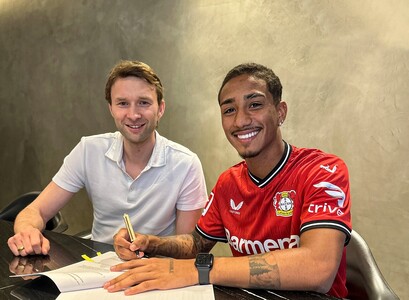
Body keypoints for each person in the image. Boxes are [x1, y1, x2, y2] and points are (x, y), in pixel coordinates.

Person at [105, 62, 352, 298]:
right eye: (229, 110)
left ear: (280, 112)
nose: (241, 120)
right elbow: (196, 244)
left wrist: (200, 269)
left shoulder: (322, 170)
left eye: (254, 105)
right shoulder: (228, 182)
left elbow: (318, 268)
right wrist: (150, 243)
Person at [7, 60, 208, 257]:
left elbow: (189, 248)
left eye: (143, 103)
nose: (133, 114)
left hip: (158, 271)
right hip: (99, 269)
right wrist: (27, 231)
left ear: (160, 108)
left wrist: (150, 244)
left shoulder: (186, 164)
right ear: (111, 108)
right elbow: (36, 211)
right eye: (122, 103)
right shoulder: (88, 150)